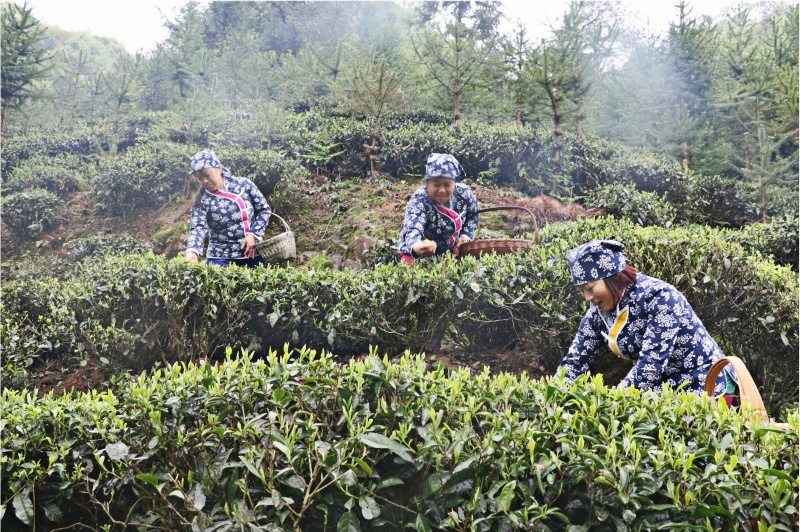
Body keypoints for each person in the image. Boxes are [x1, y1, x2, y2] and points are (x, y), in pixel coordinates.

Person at [557, 239, 737, 398]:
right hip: (665, 389)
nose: (587, 297)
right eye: (581, 291)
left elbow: (651, 365)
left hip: (707, 383)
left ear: (612, 277)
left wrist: (615, 402)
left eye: (590, 288)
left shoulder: (659, 297)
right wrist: (554, 393)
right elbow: (575, 358)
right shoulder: (598, 313)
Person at [185, 149, 272, 267]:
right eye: (200, 178)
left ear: (219, 168)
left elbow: (264, 210)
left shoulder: (244, 184)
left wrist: (253, 235)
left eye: (207, 175)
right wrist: (192, 251)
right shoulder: (201, 199)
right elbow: (198, 227)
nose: (205, 181)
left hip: (251, 252)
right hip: (220, 257)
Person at [397, 153, 480, 264]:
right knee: (411, 270)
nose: (441, 190)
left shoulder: (464, 194)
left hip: (448, 248)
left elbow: (473, 214)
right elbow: (413, 228)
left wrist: (465, 235)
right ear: (427, 183)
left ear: (454, 183)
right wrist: (418, 246)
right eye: (436, 185)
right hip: (417, 251)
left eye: (447, 185)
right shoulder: (420, 200)